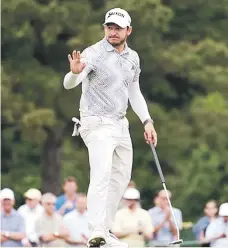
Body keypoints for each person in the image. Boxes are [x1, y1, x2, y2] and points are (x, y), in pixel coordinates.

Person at [63, 7, 157, 248]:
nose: (113, 32)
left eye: (118, 28)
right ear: (104, 28)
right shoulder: (92, 54)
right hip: (95, 122)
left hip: (120, 124)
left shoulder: (133, 58)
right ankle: (96, 229)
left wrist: (147, 121)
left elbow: (134, 92)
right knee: (102, 173)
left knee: (121, 177)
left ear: (129, 30)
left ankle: (104, 229)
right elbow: (69, 83)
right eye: (109, 27)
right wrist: (74, 74)